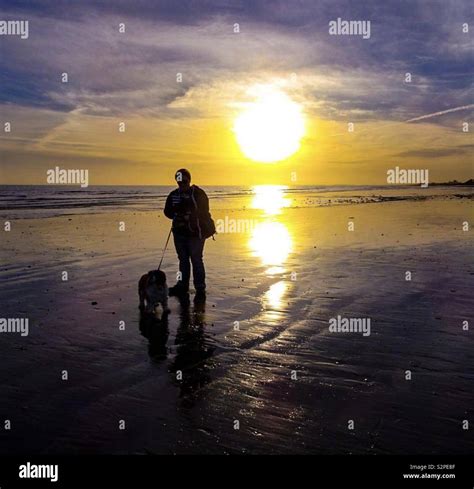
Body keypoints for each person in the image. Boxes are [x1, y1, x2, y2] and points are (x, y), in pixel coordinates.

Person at [164, 169, 215, 300]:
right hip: (179, 232)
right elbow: (167, 212)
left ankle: (200, 288)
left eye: (184, 181)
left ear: (189, 180)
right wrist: (176, 210)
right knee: (183, 261)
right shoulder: (173, 194)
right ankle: (182, 285)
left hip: (195, 233)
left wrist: (189, 210)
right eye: (179, 182)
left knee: (196, 260)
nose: (182, 184)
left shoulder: (198, 193)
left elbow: (204, 211)